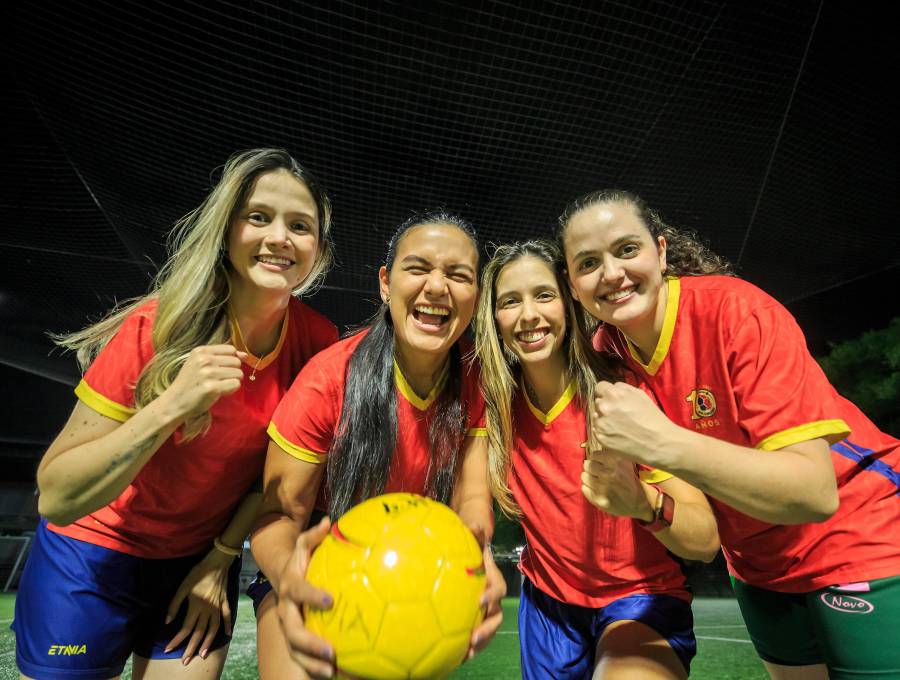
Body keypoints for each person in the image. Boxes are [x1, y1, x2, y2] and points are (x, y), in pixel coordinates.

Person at [13, 148, 339, 680]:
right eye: (259, 217)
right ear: (227, 230)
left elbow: (276, 479)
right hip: (91, 555)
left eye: (299, 225)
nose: (280, 237)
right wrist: (170, 407)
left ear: (318, 249)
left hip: (198, 561)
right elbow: (57, 496)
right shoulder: (156, 328)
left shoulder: (318, 342)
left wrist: (219, 561)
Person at [559, 188, 900, 680]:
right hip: (757, 566)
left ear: (661, 250)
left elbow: (814, 493)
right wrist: (642, 503)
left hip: (860, 533)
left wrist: (662, 442)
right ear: (573, 286)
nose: (611, 273)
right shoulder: (606, 360)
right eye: (588, 263)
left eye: (627, 249)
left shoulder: (736, 311)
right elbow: (702, 541)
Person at [249, 210, 506, 680]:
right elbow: (279, 516)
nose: (436, 287)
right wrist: (291, 578)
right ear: (386, 283)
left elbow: (471, 499)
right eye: (418, 268)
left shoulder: (477, 380)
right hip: (311, 568)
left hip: (413, 574)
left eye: (457, 275)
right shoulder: (329, 380)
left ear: (476, 297)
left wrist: (476, 556)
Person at [474, 240, 719, 679]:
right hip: (549, 608)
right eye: (511, 301)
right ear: (494, 318)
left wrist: (643, 501)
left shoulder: (621, 393)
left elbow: (704, 541)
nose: (529, 315)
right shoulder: (493, 406)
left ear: (569, 304)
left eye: (543, 295)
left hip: (639, 598)